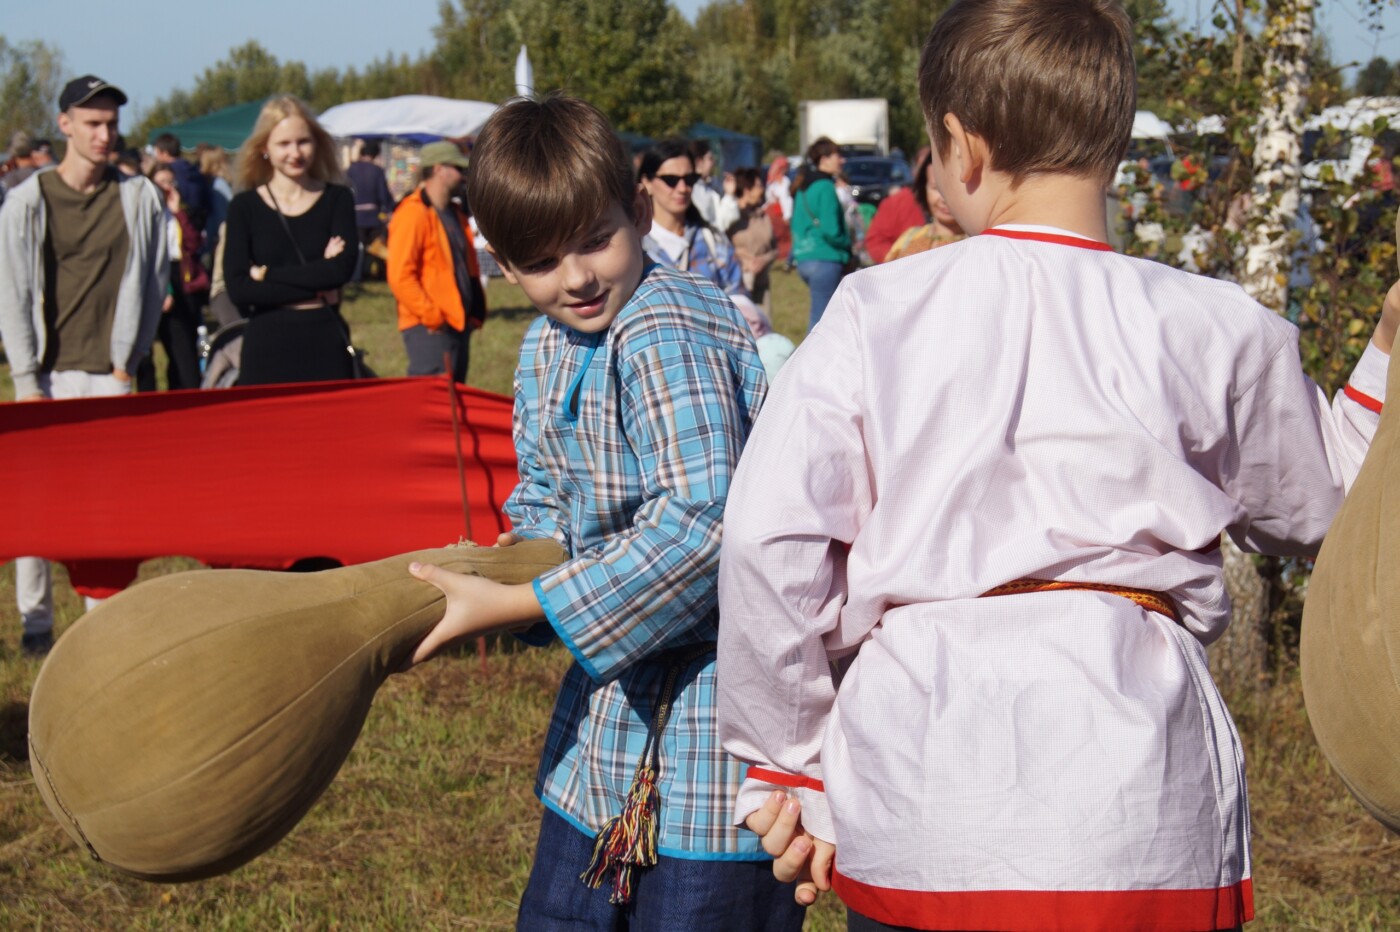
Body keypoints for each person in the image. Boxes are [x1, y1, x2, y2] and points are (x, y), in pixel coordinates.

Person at [715, 2, 1398, 931]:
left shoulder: (876, 313)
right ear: (1115, 142)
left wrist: (789, 759)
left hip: (923, 796)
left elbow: (768, 539)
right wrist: (1385, 352)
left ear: (961, 148)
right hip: (1140, 811)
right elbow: (1333, 510)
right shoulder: (1214, 325)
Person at [402, 93, 802, 932]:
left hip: (715, 723)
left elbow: (705, 525)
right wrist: (515, 557)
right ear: (502, 264)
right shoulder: (549, 342)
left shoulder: (664, 325)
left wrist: (523, 601)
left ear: (636, 209)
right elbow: (547, 492)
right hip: (612, 726)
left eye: (594, 240)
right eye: (542, 261)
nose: (577, 277)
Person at [0, 74, 167, 657]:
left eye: (111, 124)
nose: (104, 135)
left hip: (109, 372)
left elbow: (154, 282)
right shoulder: (28, 200)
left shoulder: (138, 196)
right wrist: (26, 380)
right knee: (35, 505)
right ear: (65, 124)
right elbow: (12, 293)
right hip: (47, 374)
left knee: (107, 504)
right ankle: (35, 621)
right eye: (92, 123)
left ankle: (105, 617)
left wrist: (130, 362)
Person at [222, 95, 359, 386]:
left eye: (303, 142)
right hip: (266, 346)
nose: (295, 153)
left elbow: (340, 271)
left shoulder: (338, 199)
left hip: (325, 342)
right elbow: (239, 290)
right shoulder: (244, 207)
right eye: (283, 144)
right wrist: (318, 280)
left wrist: (266, 274)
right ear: (264, 148)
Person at [386, 140, 486, 383]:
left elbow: (467, 267)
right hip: (429, 328)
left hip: (457, 323)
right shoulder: (412, 213)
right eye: (458, 169)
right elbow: (400, 276)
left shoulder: (455, 214)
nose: (463, 176)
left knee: (455, 396)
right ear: (439, 169)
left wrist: (475, 309)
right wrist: (433, 316)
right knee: (431, 396)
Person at [638, 138, 746, 298]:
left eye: (689, 179)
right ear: (647, 182)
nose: (683, 188)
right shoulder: (632, 247)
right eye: (671, 180)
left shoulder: (713, 241)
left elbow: (738, 298)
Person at [138, 163, 206, 391]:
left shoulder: (181, 212)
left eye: (171, 182)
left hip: (182, 276)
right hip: (157, 276)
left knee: (183, 345)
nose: (168, 187)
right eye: (162, 182)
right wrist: (163, 289)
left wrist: (178, 212)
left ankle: (184, 392)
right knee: (150, 347)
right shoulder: (146, 212)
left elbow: (193, 244)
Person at [790, 137, 850, 331]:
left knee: (823, 317)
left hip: (804, 258)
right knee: (821, 323)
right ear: (824, 160)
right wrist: (848, 245)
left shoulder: (803, 186)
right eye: (837, 156)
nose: (842, 161)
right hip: (825, 259)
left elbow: (796, 224)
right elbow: (831, 230)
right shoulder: (825, 186)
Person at [882, 151, 965, 262]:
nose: (944, 199)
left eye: (954, 189)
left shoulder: (977, 244)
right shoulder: (909, 239)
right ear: (924, 189)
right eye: (937, 188)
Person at [863, 148, 931, 263]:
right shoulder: (897, 202)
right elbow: (875, 240)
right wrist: (898, 260)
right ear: (914, 172)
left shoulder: (957, 206)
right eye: (923, 168)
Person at [347, 140, 395, 256]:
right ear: (376, 154)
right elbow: (383, 195)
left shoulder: (350, 170)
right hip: (373, 219)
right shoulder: (377, 171)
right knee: (374, 252)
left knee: (356, 252)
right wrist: (389, 209)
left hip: (354, 218)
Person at [151, 133, 209, 226]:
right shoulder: (192, 169)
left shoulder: (170, 172)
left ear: (165, 153)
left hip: (179, 223)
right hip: (199, 222)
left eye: (156, 152)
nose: (155, 156)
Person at [689, 137, 721, 226]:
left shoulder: (712, 183)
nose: (713, 163)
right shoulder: (692, 189)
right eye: (710, 159)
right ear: (699, 162)